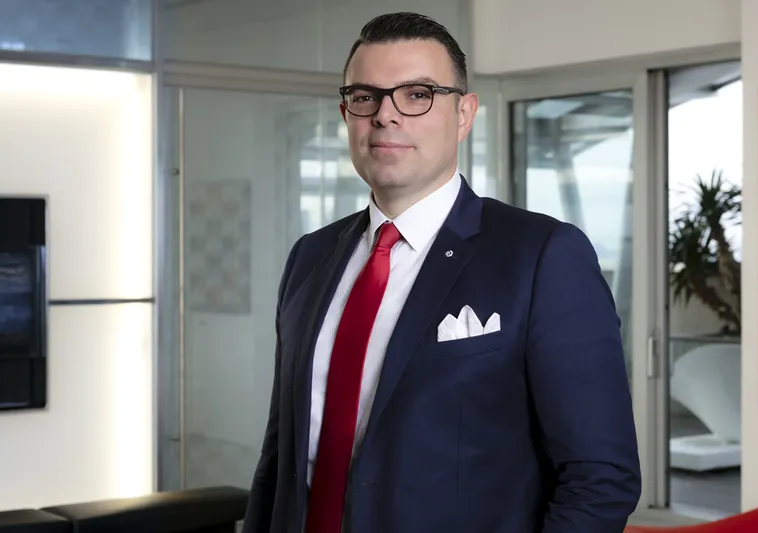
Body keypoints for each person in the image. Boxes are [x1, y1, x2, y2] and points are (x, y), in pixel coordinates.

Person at [242, 11, 641, 533]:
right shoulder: (310, 257)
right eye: (365, 96)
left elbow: (599, 478)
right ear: (346, 113)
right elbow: (281, 454)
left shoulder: (542, 255)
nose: (386, 116)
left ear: (464, 114)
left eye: (417, 94)